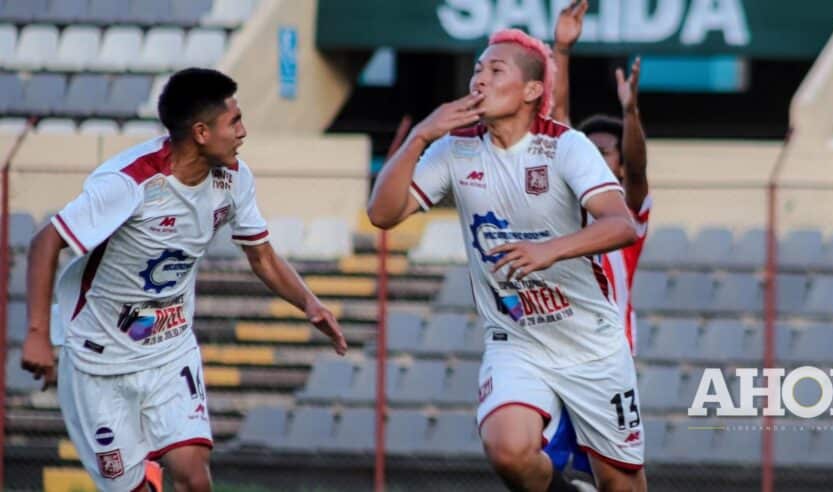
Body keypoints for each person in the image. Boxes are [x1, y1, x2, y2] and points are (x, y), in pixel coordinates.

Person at [20, 68, 348, 492]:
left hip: (168, 350)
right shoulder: (129, 183)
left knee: (194, 476)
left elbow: (262, 255)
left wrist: (310, 304)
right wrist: (37, 334)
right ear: (200, 132)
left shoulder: (233, 178)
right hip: (98, 359)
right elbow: (45, 243)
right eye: (234, 121)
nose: (244, 132)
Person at [367, 28, 646, 492]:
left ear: (532, 91)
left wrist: (547, 250)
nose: (480, 79)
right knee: (508, 450)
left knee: (622, 484)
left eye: (496, 71)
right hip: (516, 339)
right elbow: (381, 213)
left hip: (590, 343)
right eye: (477, 69)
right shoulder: (454, 149)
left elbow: (622, 225)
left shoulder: (566, 146)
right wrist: (419, 135)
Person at [544, 1, 652, 484]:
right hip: (552, 351)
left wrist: (630, 114)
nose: (589, 156)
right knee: (534, 460)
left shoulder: (625, 215)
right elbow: (559, 122)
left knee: (610, 480)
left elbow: (638, 167)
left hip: (604, 359)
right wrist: (561, 50)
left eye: (601, 152)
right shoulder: (568, 207)